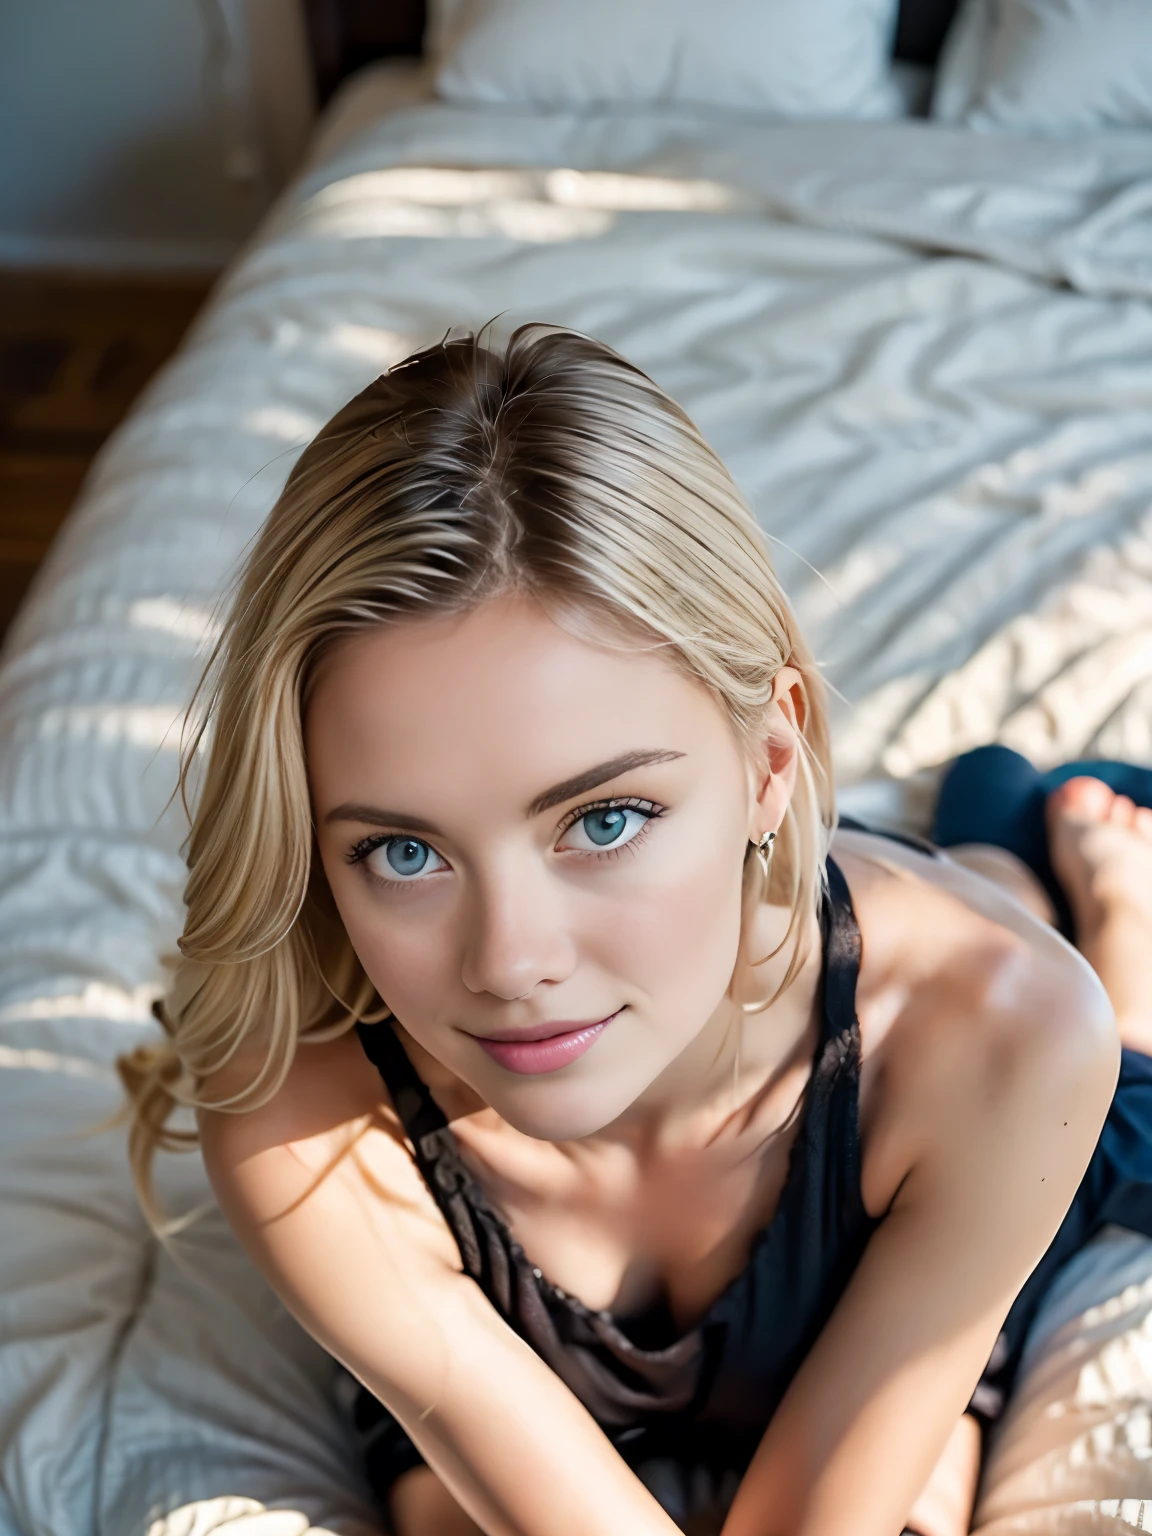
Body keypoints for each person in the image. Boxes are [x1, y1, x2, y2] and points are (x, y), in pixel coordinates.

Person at [116, 326, 1152, 1536]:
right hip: (752, 954)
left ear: (770, 759)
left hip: (929, 1054)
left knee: (1056, 1028)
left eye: (603, 819)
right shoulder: (300, 1104)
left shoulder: (1006, 1038)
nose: (510, 964)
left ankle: (1105, 920)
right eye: (405, 851)